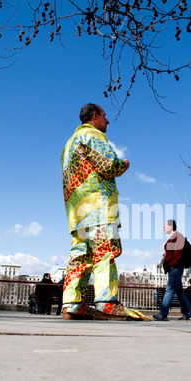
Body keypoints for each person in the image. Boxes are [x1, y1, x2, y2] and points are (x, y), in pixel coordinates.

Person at [61, 103, 149, 321]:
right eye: (104, 116)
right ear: (94, 116)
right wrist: (124, 164)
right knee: (104, 252)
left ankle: (72, 304)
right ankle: (106, 302)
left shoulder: (67, 146)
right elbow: (108, 165)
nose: (107, 121)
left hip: (76, 212)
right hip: (98, 207)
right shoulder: (94, 135)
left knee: (80, 256)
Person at [153, 220, 191, 321]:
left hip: (175, 268)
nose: (163, 228)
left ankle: (163, 313)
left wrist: (172, 264)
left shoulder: (178, 236)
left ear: (171, 227)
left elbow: (178, 254)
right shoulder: (173, 238)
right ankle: (188, 312)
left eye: (165, 226)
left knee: (169, 290)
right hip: (174, 268)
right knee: (179, 292)